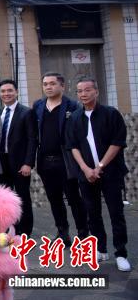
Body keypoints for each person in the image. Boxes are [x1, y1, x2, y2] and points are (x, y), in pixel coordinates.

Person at [67, 77, 130, 272]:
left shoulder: (111, 114)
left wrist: (100, 166)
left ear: (97, 91)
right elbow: (73, 146)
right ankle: (100, 249)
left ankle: (121, 253)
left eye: (87, 90)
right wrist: (86, 169)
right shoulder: (75, 117)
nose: (83, 94)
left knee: (116, 213)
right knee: (92, 213)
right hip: (86, 175)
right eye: (79, 91)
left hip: (111, 172)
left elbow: (117, 142)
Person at [33, 72, 88, 246]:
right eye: (45, 84)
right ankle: (63, 232)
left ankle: (83, 234)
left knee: (74, 199)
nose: (48, 87)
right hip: (45, 161)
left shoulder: (73, 106)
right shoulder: (38, 105)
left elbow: (80, 134)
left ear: (62, 86)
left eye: (52, 83)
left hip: (66, 161)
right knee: (54, 199)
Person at [0, 79, 37, 236]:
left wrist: (28, 163)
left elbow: (32, 139)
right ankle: (11, 228)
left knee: (22, 198)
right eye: (3, 91)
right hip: (1, 162)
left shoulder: (26, 112)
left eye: (9, 90)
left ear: (16, 92)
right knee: (6, 198)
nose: (6, 94)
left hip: (20, 163)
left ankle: (25, 232)